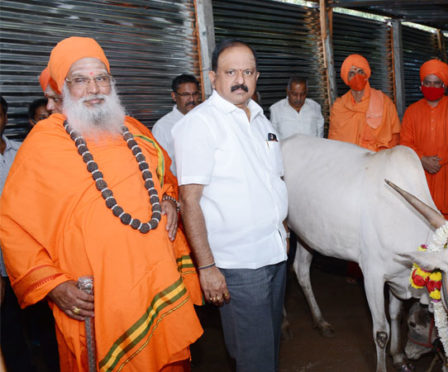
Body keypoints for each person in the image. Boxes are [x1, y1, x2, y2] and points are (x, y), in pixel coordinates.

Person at [0, 36, 202, 371]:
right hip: (97, 302)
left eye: (101, 78)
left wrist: (169, 201)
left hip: (156, 282)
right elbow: (12, 225)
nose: (94, 88)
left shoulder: (134, 130)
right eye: (80, 80)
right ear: (63, 88)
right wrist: (53, 284)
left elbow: (165, 176)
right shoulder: (43, 144)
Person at [173, 39, 288, 372]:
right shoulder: (199, 124)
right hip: (238, 264)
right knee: (256, 359)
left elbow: (274, 182)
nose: (241, 79)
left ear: (257, 76)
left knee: (266, 350)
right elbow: (189, 200)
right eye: (231, 72)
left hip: (274, 256)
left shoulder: (260, 120)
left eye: (248, 71)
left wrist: (283, 231)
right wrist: (207, 267)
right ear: (213, 78)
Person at [399, 59, 448, 220]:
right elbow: (405, 143)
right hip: (421, 180)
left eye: (436, 83)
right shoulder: (412, 112)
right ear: (421, 85)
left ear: (444, 86)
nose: (431, 87)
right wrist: (422, 159)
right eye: (427, 83)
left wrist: (439, 159)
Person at [0, 95, 38, 372]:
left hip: (31, 255)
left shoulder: (23, 151)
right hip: (1, 261)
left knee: (41, 321)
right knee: (8, 327)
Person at [328, 53, 400, 151]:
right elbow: (333, 143)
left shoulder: (385, 102)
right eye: (352, 73)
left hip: (378, 161)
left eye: (360, 71)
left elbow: (395, 137)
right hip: (348, 161)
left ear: (366, 75)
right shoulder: (338, 107)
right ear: (347, 79)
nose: (356, 76)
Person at [152, 74, 201, 175]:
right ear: (174, 96)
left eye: (195, 94)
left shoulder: (205, 120)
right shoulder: (162, 127)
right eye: (186, 95)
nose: (191, 99)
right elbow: (161, 166)